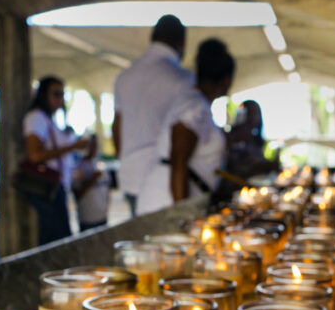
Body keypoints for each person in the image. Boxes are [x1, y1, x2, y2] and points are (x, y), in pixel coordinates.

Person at [137, 38, 234, 214]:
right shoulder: (193, 107)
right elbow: (178, 160)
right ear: (226, 81)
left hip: (176, 201)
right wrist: (181, 215)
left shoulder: (198, 105)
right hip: (165, 204)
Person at [112, 14, 192, 216]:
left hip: (131, 174)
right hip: (165, 181)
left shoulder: (124, 77)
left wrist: (125, 160)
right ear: (181, 42)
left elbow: (117, 127)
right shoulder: (183, 79)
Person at [22, 76, 89, 245]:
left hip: (56, 186)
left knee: (59, 238)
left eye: (62, 94)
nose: (60, 99)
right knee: (56, 240)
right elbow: (35, 155)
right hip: (47, 187)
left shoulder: (48, 119)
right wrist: (72, 146)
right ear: (44, 95)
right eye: (56, 94)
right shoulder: (36, 117)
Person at [227, 100, 280, 180]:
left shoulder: (255, 139)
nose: (254, 116)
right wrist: (264, 166)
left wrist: (270, 165)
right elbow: (236, 168)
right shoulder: (235, 138)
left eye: (256, 113)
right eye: (250, 112)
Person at [71, 135, 110, 232]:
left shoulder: (101, 165)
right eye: (90, 145)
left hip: (103, 217)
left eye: (95, 145)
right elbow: (77, 195)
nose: (93, 148)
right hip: (87, 219)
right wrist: (92, 179)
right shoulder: (78, 167)